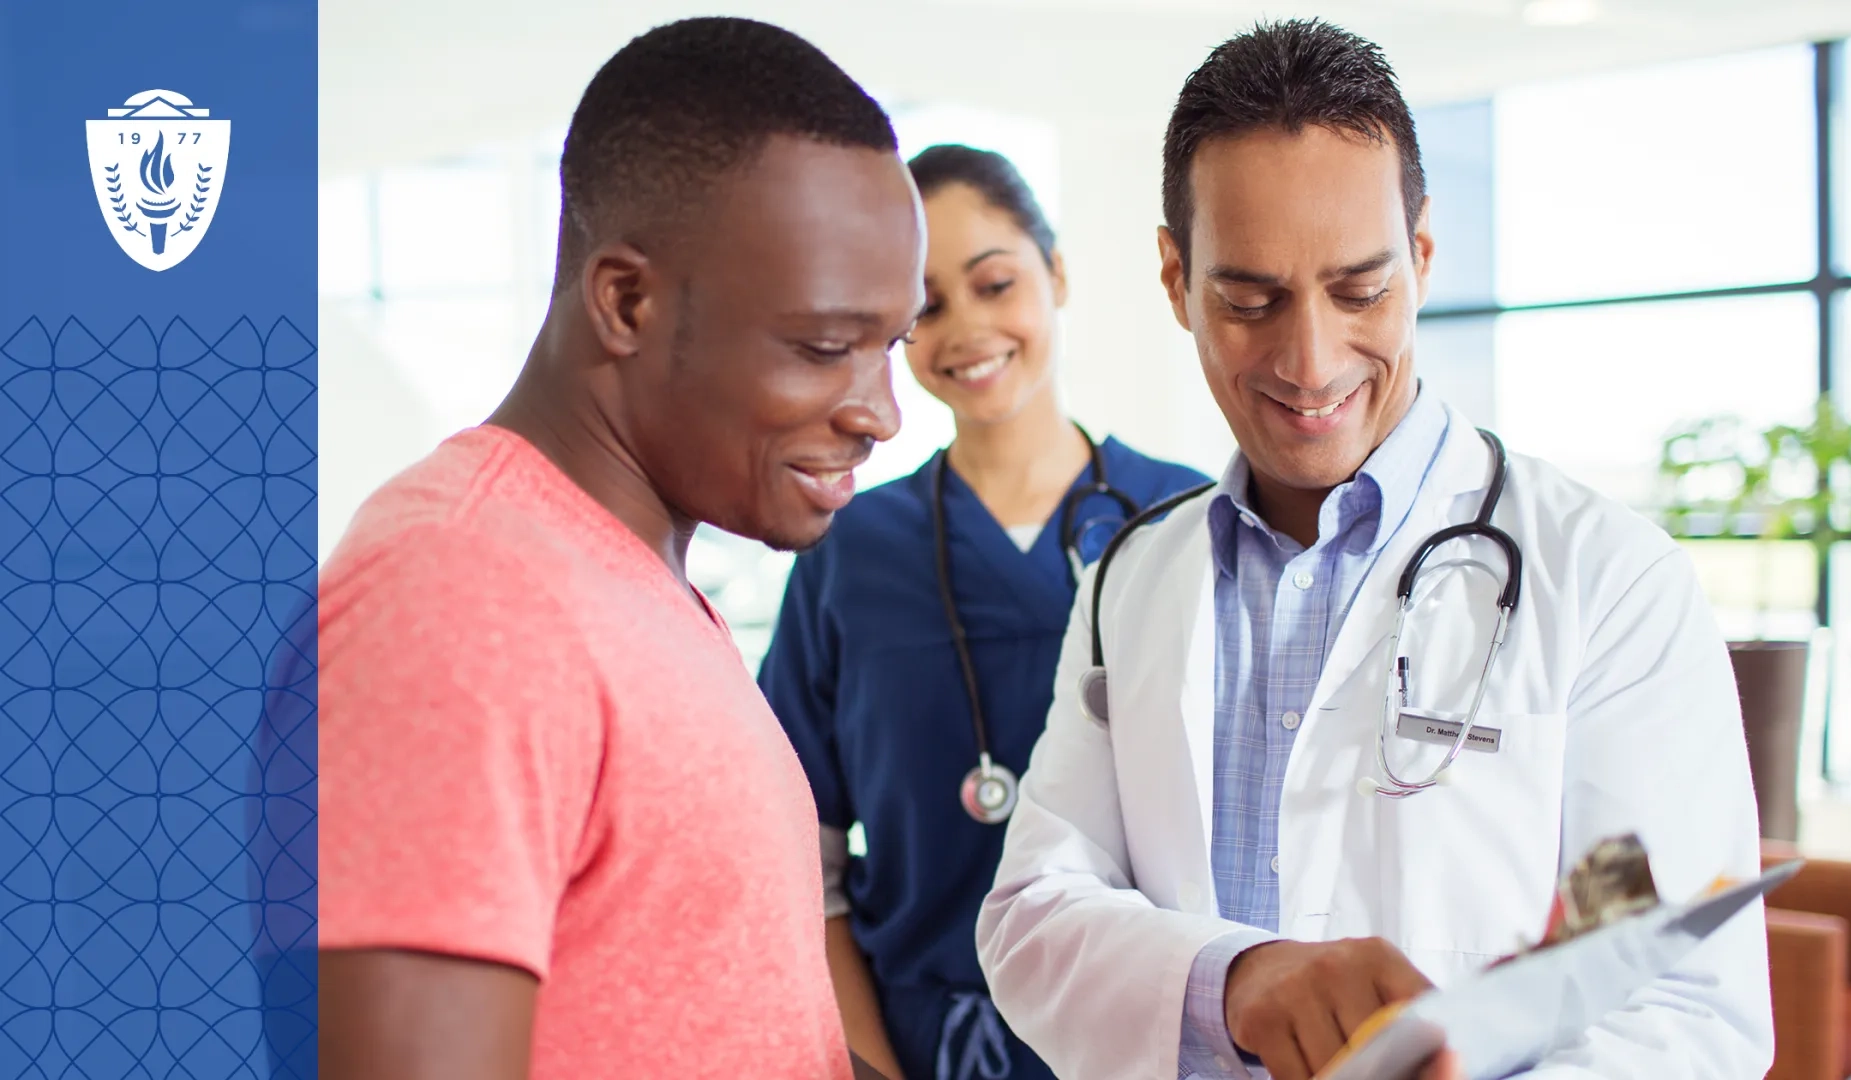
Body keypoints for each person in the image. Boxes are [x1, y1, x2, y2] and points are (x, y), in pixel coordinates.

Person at [976, 19, 1770, 1080]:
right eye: (1249, 299)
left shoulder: (1610, 581)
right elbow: (1034, 911)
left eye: (1360, 290)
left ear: (1424, 256)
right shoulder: (1132, 580)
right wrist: (1238, 979)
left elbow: (1683, 1001)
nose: (1311, 362)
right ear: (1175, 279)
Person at [316, 18, 924, 1080]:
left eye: (891, 348)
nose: (881, 414)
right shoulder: (461, 594)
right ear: (626, 302)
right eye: (826, 347)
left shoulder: (622, 583)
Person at [757, 145, 1210, 1080]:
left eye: (994, 283)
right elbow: (799, 858)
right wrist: (869, 1066)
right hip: (921, 1046)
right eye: (926, 306)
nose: (965, 329)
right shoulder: (849, 550)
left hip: (1147, 1046)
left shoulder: (1186, 523)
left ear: (1056, 276)